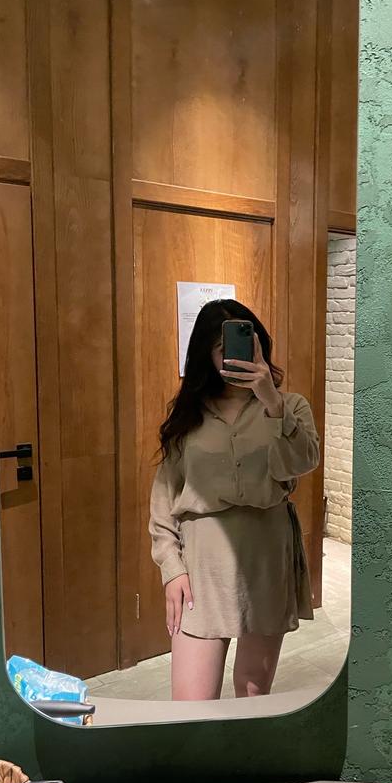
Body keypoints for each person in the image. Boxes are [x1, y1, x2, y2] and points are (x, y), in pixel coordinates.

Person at [149, 299, 319, 701]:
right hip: (202, 564)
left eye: (244, 341)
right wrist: (171, 568)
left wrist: (271, 400)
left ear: (259, 344)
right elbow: (163, 496)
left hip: (266, 556)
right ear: (205, 355)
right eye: (220, 346)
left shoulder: (290, 406)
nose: (232, 354)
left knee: (253, 694)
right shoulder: (189, 415)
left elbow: (304, 461)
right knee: (191, 706)